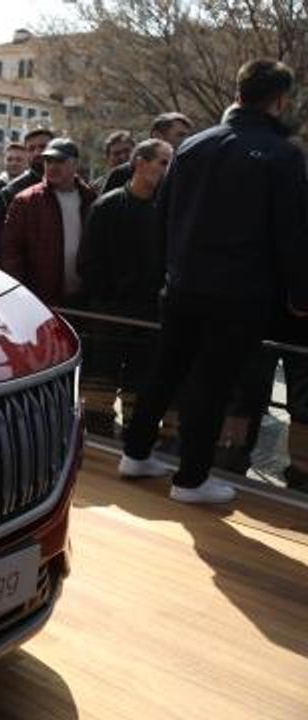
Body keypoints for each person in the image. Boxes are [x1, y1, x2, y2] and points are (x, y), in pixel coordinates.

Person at [118, 59, 308, 504]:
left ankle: (135, 454)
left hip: (182, 284)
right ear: (280, 101)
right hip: (240, 292)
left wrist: (168, 271)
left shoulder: (192, 145)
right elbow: (292, 233)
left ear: (239, 92)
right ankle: (191, 479)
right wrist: (300, 295)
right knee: (213, 382)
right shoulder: (282, 155)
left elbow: (162, 215)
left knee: (167, 369)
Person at [76, 139, 173, 436]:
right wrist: (109, 296)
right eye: (163, 162)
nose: (168, 169)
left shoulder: (166, 208)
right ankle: (97, 441)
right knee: (102, 380)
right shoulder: (107, 205)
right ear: (140, 163)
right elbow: (87, 261)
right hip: (110, 313)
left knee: (140, 382)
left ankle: (136, 438)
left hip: (149, 315)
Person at [0, 137, 97, 306]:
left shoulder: (90, 199)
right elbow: (11, 252)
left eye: (60, 161)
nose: (52, 166)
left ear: (75, 164)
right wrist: (20, 295)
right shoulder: (25, 202)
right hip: (40, 300)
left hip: (83, 300)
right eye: (48, 161)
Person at [99, 112, 193, 194]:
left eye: (188, 136)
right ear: (158, 136)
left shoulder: (186, 171)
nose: (187, 140)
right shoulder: (123, 174)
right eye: (180, 135)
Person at [1, 127, 56, 204]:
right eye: (31, 149)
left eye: (43, 147)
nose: (37, 153)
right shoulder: (12, 191)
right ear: (26, 153)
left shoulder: (68, 183)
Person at [89, 130, 135, 195]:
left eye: (127, 151)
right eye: (117, 153)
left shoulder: (146, 181)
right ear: (108, 158)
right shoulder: (97, 188)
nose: (122, 157)